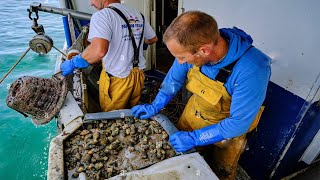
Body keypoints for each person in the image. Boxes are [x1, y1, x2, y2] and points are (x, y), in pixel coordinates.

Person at [132, 11, 271, 179]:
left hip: (228, 131)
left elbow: (238, 123)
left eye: (182, 57)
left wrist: (194, 138)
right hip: (195, 114)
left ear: (204, 50)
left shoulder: (252, 69)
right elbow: (173, 81)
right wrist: (156, 105)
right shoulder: (194, 42)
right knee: (179, 162)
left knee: (221, 171)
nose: (180, 62)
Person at [61, 0, 158, 112]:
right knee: (132, 113)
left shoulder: (102, 15)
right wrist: (134, 45)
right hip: (138, 75)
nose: (91, 4)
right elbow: (152, 39)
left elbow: (98, 51)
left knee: (112, 118)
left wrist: (73, 62)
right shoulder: (137, 13)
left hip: (117, 79)